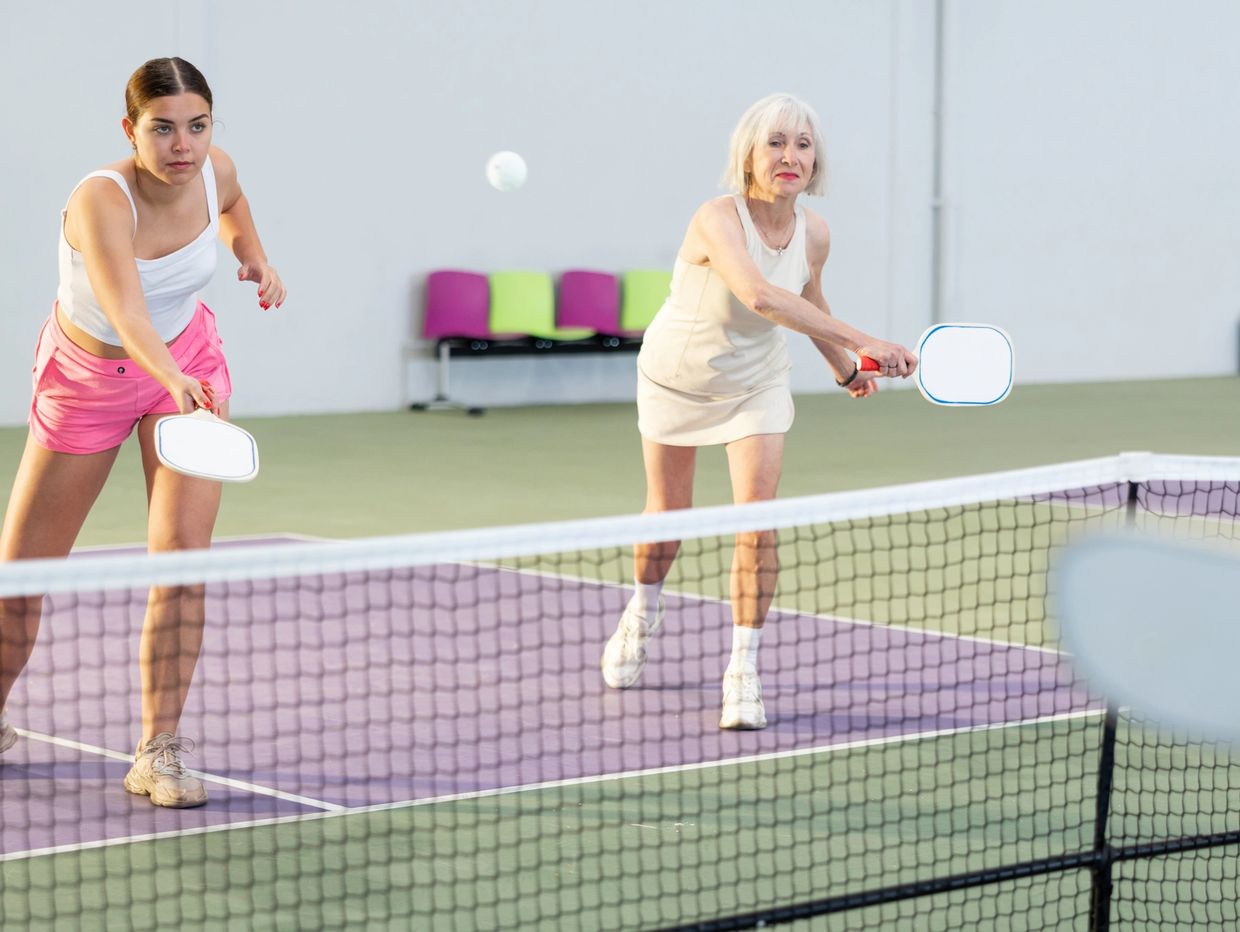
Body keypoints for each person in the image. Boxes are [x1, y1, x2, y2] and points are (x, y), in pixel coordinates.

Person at [0, 57, 285, 806]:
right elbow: (125, 311)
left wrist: (251, 254)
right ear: (130, 130)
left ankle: (158, 751)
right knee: (21, 577)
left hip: (188, 367)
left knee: (184, 559)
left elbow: (236, 201)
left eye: (196, 125)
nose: (182, 145)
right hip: (91, 380)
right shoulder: (101, 200)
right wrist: (167, 380)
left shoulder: (213, 168)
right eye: (162, 128)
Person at [601, 93, 917, 730]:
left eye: (802, 144)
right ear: (749, 154)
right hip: (677, 377)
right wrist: (866, 342)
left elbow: (807, 297)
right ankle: (641, 612)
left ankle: (742, 670)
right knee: (668, 518)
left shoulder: (816, 232)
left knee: (759, 523)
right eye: (775, 143)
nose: (790, 156)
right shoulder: (716, 218)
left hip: (757, 382)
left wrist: (842, 366)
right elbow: (759, 294)